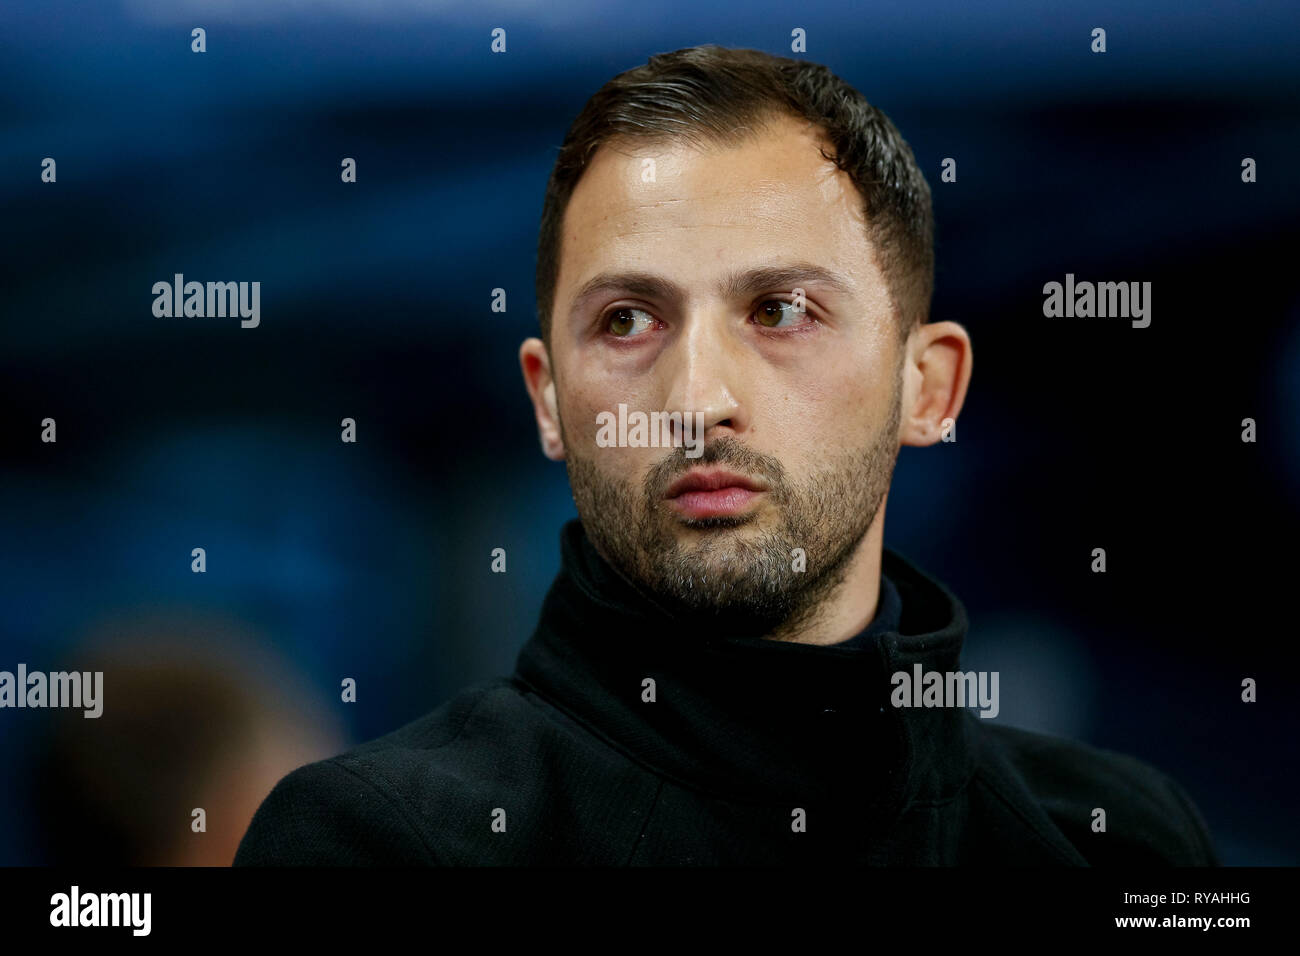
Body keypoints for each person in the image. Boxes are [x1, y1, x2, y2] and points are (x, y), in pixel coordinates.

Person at [234, 44, 1217, 866]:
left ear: (928, 386)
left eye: (779, 311)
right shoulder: (380, 843)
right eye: (626, 319)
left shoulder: (1124, 840)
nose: (696, 401)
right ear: (547, 399)